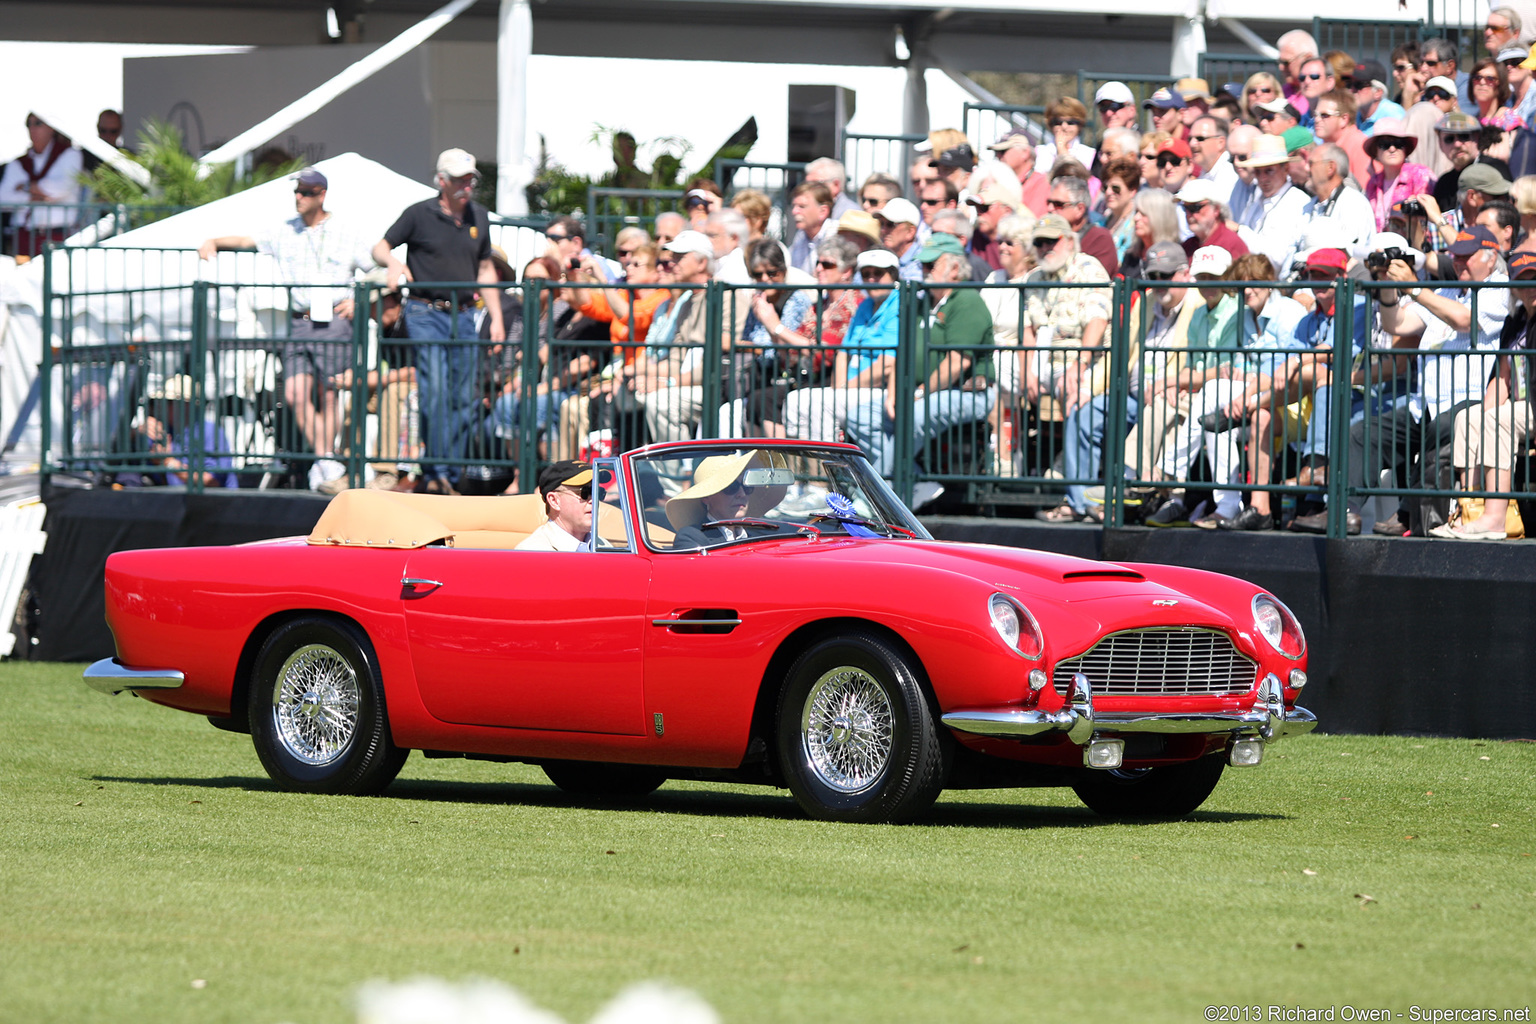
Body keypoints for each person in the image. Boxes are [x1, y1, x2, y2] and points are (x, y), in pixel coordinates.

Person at [199, 167, 376, 489]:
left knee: (330, 392)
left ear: (321, 195)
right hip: (300, 320)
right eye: (297, 190)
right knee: (295, 393)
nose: (299, 197)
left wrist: (364, 301)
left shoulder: (347, 231)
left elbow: (377, 265)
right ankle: (326, 461)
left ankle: (326, 463)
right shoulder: (284, 230)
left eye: (306, 192)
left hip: (335, 320)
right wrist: (213, 241)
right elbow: (245, 240)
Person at [374, 147, 505, 494]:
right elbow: (381, 247)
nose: (468, 185)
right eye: (461, 179)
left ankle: (447, 472)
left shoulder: (478, 215)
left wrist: (496, 317)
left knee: (463, 396)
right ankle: (435, 472)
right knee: (434, 393)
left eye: (471, 179)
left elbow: (485, 267)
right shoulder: (418, 213)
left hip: (464, 314)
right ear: (442, 181)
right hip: (424, 312)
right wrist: (394, 264)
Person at [1363, 229, 1506, 537]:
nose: (1459, 263)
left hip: (1472, 401)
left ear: (1491, 256)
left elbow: (1464, 320)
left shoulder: (1499, 289)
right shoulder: (1446, 291)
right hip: (1424, 405)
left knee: (1440, 428)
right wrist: (1389, 286)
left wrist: (1414, 289)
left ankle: (1416, 519)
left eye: (1467, 256)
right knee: (1362, 433)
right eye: (1455, 256)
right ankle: (1343, 511)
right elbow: (1396, 324)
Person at [842, 235, 995, 501]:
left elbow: (957, 363)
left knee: (914, 416)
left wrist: (919, 393)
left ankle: (874, 498)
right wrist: (894, 393)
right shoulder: (922, 301)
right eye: (922, 266)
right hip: (922, 391)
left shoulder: (967, 300)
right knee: (860, 416)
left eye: (930, 265)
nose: (924, 271)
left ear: (955, 269)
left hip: (967, 392)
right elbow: (902, 353)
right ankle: (910, 479)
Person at [1430, 249, 1536, 539]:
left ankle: (1495, 518)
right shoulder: (1514, 323)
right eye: (1523, 282)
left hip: (1533, 406)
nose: (1531, 288)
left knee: (1497, 420)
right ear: (1513, 288)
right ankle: (1470, 511)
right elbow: (1501, 377)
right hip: (1521, 404)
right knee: (1469, 418)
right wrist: (1484, 413)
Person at [783, 248, 902, 443]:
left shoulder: (898, 304)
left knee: (820, 404)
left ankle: (827, 468)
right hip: (850, 388)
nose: (871, 279)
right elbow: (843, 353)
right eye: (866, 274)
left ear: (893, 276)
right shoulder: (866, 305)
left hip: (878, 390)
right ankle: (804, 467)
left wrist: (845, 388)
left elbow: (888, 364)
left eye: (878, 274)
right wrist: (839, 386)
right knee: (796, 400)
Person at [1019, 213, 1112, 436]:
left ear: (1070, 241)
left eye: (1052, 241)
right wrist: (1026, 373)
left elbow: (1097, 321)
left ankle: (1069, 465)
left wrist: (1080, 363)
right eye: (1039, 243)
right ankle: (1008, 458)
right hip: (1043, 362)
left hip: (1084, 358)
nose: (1045, 247)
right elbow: (1027, 332)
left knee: (1073, 388)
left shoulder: (1088, 268)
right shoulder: (1032, 278)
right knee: (1000, 382)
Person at [666, 450, 787, 548]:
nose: (742, 494)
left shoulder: (758, 539)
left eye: (746, 486)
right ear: (706, 497)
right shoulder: (691, 537)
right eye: (731, 487)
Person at [1, 113, 83, 257]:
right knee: (22, 277)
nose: (32, 129)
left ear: (51, 127)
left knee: (56, 278)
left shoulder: (70, 154)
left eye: (38, 123)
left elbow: (60, 189)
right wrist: (30, 198)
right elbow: (3, 198)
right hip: (23, 237)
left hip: (57, 235)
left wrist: (26, 187)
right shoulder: (18, 163)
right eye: (29, 124)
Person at [1232, 134, 1310, 270]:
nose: (1263, 178)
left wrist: (1239, 231)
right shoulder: (1257, 201)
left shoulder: (1298, 203)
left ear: (1285, 169)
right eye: (1258, 172)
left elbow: (1278, 258)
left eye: (1269, 171)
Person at [1364, 121, 1434, 232]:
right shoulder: (1372, 183)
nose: (1392, 149)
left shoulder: (1420, 174)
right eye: (1385, 144)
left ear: (1405, 149)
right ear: (1376, 151)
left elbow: (1427, 218)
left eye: (1398, 144)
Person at [515, 460, 594, 551]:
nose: (593, 500)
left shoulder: (604, 546)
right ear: (554, 501)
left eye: (597, 493)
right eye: (585, 492)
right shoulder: (532, 553)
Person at [1048, 176, 1117, 277]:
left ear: (1080, 209)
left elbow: (1094, 283)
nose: (1050, 208)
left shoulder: (1099, 239)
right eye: (1049, 203)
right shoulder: (1045, 239)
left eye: (1058, 204)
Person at [1311, 89, 1372, 187]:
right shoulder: (1324, 147)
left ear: (1344, 119)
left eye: (1325, 115)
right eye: (1315, 115)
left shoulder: (1360, 145)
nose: (1317, 120)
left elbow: (1366, 191)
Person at [1177, 179, 1248, 262]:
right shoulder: (1187, 247)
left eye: (1195, 208)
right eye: (1185, 208)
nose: (1189, 214)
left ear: (1216, 209)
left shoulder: (1231, 244)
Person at [987, 128, 1050, 215]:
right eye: (996, 152)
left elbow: (1032, 221)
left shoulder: (1041, 183)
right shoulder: (999, 181)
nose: (998, 156)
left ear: (1025, 153)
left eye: (1003, 151)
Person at [787, 182, 836, 276]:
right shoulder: (800, 236)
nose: (794, 211)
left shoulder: (837, 234)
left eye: (802, 206)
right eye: (794, 206)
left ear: (823, 212)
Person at [1037, 97, 1096, 174]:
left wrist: (1062, 150)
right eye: (1057, 122)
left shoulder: (1090, 154)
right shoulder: (1039, 152)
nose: (1064, 127)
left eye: (1071, 122)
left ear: (1080, 125)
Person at [1101, 155, 1141, 263]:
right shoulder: (1101, 222)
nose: (1108, 192)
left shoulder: (1137, 224)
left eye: (1115, 188)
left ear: (1132, 190)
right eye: (1105, 187)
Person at [1351, 60, 1407, 136]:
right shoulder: (1354, 115)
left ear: (1378, 92)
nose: (1352, 90)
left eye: (1359, 85)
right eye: (1350, 84)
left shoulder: (1394, 115)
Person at [873, 197, 924, 280]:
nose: (883, 230)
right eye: (881, 224)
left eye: (890, 224)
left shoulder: (921, 263)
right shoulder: (885, 259)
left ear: (910, 232)